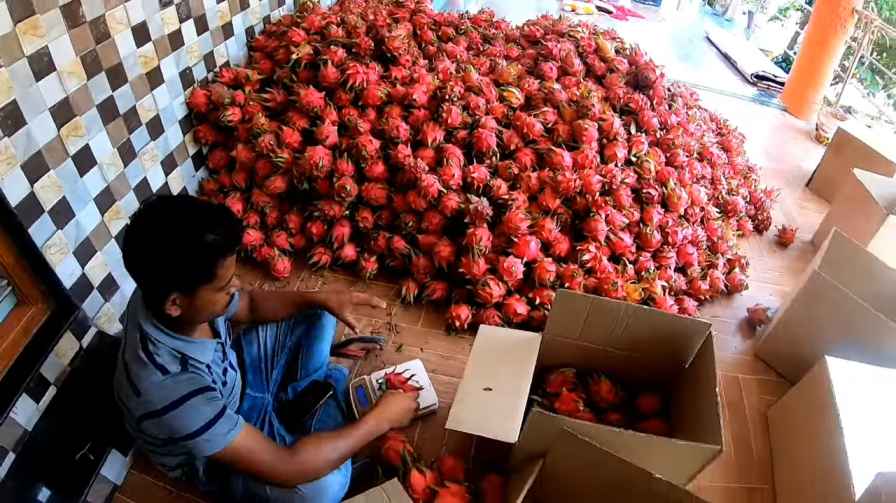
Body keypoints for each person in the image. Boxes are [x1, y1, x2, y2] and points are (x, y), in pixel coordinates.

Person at [113, 194, 419, 502]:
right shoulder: (170, 389)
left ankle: (303, 405)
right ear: (176, 303)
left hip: (236, 381)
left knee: (320, 309)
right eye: (223, 287)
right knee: (324, 488)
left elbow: (249, 305)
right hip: (219, 454)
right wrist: (380, 421)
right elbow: (286, 467)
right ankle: (310, 410)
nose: (235, 286)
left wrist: (322, 298)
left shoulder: (162, 286)